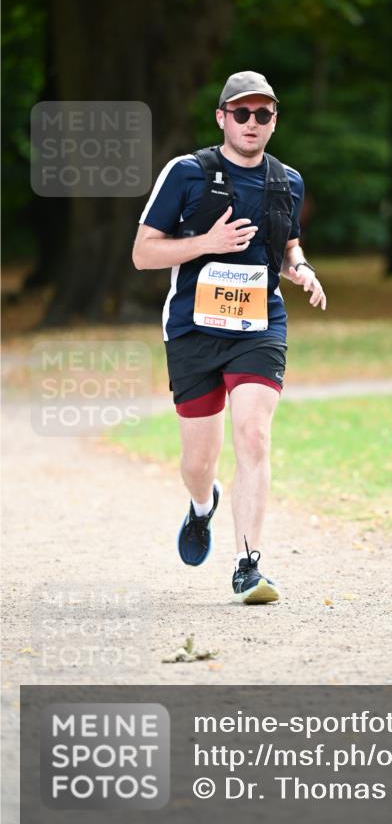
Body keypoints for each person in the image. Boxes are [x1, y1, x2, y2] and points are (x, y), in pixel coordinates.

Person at [132, 71, 326, 603]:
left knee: (254, 436)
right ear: (222, 118)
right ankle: (202, 505)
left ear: (274, 121)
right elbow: (143, 253)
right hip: (193, 329)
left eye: (263, 114)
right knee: (198, 463)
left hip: (258, 325)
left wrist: (300, 267)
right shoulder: (187, 173)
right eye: (242, 113)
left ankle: (248, 566)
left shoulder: (287, 181)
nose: (252, 122)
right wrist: (207, 243)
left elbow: (286, 244)